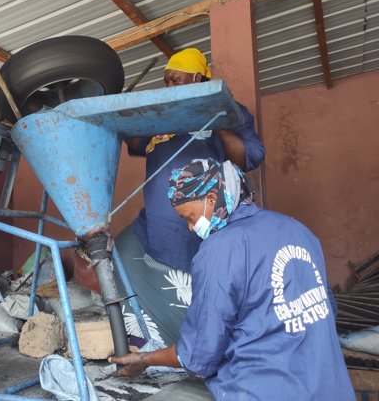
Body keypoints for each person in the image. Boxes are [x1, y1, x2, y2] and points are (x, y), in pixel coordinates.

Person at [110, 158, 355, 401]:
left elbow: (199, 354)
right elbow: (327, 310)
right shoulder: (297, 229)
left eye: (190, 217)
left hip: (263, 389)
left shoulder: (220, 249)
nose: (191, 228)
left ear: (211, 200)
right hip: (329, 386)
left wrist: (144, 359)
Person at [114, 48, 265, 345]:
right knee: (121, 252)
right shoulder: (161, 114)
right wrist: (122, 110)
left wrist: (217, 118)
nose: (169, 86)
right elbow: (134, 139)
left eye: (175, 80)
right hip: (157, 227)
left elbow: (248, 157)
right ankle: (153, 344)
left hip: (202, 228)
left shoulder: (228, 110)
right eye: (166, 81)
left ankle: (206, 348)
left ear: (197, 78)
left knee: (208, 285)